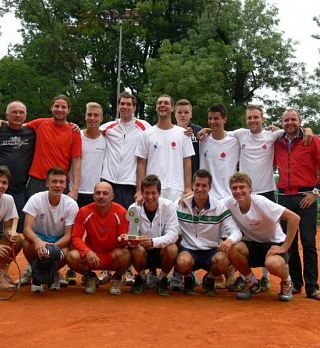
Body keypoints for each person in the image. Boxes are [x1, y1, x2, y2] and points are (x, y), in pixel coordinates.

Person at [100, 92, 150, 285]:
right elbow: (87, 131)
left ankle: (127, 269)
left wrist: (139, 189)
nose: (125, 107)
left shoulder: (144, 127)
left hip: (130, 186)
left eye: (129, 104)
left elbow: (166, 131)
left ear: (134, 107)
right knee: (109, 226)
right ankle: (107, 266)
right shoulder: (108, 127)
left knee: (130, 226)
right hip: (109, 182)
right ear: (118, 106)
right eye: (122, 104)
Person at [226, 172, 300, 301]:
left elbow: (294, 218)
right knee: (233, 249)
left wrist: (284, 247)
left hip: (274, 244)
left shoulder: (261, 202)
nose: (238, 191)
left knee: (273, 265)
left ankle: (287, 281)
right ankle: (252, 282)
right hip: (253, 244)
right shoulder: (230, 203)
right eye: (234, 188)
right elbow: (212, 203)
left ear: (250, 189)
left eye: (242, 187)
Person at [274, 108, 320, 300]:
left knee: (308, 242)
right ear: (282, 123)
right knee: (289, 243)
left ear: (300, 121)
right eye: (286, 120)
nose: (290, 123)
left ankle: (312, 287)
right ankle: (295, 284)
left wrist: (316, 192)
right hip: (284, 197)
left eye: (293, 119)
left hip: (306, 196)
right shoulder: (276, 142)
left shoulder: (312, 140)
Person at [175, 169, 242, 296]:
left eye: (204, 185)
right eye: (197, 185)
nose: (200, 189)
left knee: (223, 260)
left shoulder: (219, 207)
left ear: (210, 187)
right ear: (192, 186)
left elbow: (236, 231)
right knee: (182, 262)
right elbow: (164, 209)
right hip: (189, 250)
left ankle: (210, 279)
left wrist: (229, 240)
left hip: (211, 251)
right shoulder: (180, 205)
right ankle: (188, 279)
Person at [67, 102, 107, 285]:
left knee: (97, 232)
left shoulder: (107, 139)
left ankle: (105, 266)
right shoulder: (75, 134)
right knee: (71, 231)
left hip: (96, 194)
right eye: (89, 114)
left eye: (96, 115)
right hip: (75, 192)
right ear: (85, 116)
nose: (92, 118)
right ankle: (70, 269)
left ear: (101, 119)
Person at [67, 182, 131, 295]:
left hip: (112, 256)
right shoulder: (84, 211)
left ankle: (116, 278)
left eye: (105, 193)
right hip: (92, 256)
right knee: (72, 256)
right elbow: (76, 237)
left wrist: (124, 239)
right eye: (98, 193)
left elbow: (123, 240)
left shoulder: (121, 212)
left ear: (112, 196)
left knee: (126, 254)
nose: (101, 196)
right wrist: (87, 252)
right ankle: (90, 276)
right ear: (93, 196)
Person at [22, 167, 79, 292]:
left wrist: (53, 247)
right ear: (47, 183)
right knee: (26, 243)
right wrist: (39, 242)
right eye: (54, 181)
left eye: (61, 182)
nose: (57, 185)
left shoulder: (71, 205)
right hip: (39, 240)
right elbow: (26, 229)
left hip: (59, 242)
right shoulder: (35, 199)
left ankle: (54, 273)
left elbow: (69, 235)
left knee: (68, 250)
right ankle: (36, 275)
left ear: (65, 185)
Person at [135, 94, 194, 203]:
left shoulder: (183, 134)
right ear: (156, 107)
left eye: (166, 103)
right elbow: (141, 163)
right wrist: (139, 191)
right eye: (159, 103)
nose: (162, 105)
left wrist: (188, 188)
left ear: (172, 108)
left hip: (176, 189)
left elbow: (187, 162)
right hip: (152, 189)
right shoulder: (146, 134)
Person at [129, 175, 179, 296]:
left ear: (159, 193)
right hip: (143, 253)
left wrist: (153, 242)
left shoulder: (169, 206)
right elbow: (132, 235)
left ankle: (162, 279)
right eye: (146, 193)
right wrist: (134, 241)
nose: (150, 197)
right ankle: (141, 277)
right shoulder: (133, 209)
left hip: (162, 252)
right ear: (142, 193)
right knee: (134, 249)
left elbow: (173, 234)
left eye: (153, 193)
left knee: (172, 248)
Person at [25, 94, 82, 200]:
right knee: (32, 214)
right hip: (38, 180)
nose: (59, 109)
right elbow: (17, 125)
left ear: (68, 110)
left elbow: (76, 160)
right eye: (56, 106)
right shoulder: (40, 123)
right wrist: (2, 122)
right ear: (52, 108)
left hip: (59, 182)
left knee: (58, 216)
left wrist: (75, 189)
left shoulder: (74, 131)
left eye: (63, 107)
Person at [0, 101, 35, 235]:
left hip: (19, 188)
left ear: (26, 116)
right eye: (14, 112)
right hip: (1, 186)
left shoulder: (31, 132)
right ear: (7, 114)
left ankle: (10, 255)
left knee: (17, 228)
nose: (18, 115)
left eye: (21, 112)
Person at [199, 103, 239, 199]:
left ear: (224, 119)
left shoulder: (235, 141)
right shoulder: (202, 139)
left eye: (216, 118)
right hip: (206, 197)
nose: (212, 122)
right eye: (210, 118)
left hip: (228, 197)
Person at [0, 165, 23, 290]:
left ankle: (1, 273)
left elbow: (9, 227)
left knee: (17, 238)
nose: (1, 186)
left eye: (4, 183)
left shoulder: (8, 200)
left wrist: (11, 233)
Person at [174, 99, 202, 176]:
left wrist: (208, 130)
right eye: (180, 112)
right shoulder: (170, 132)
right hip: (175, 175)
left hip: (195, 176)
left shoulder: (198, 131)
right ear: (175, 114)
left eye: (186, 112)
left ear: (191, 114)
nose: (183, 115)